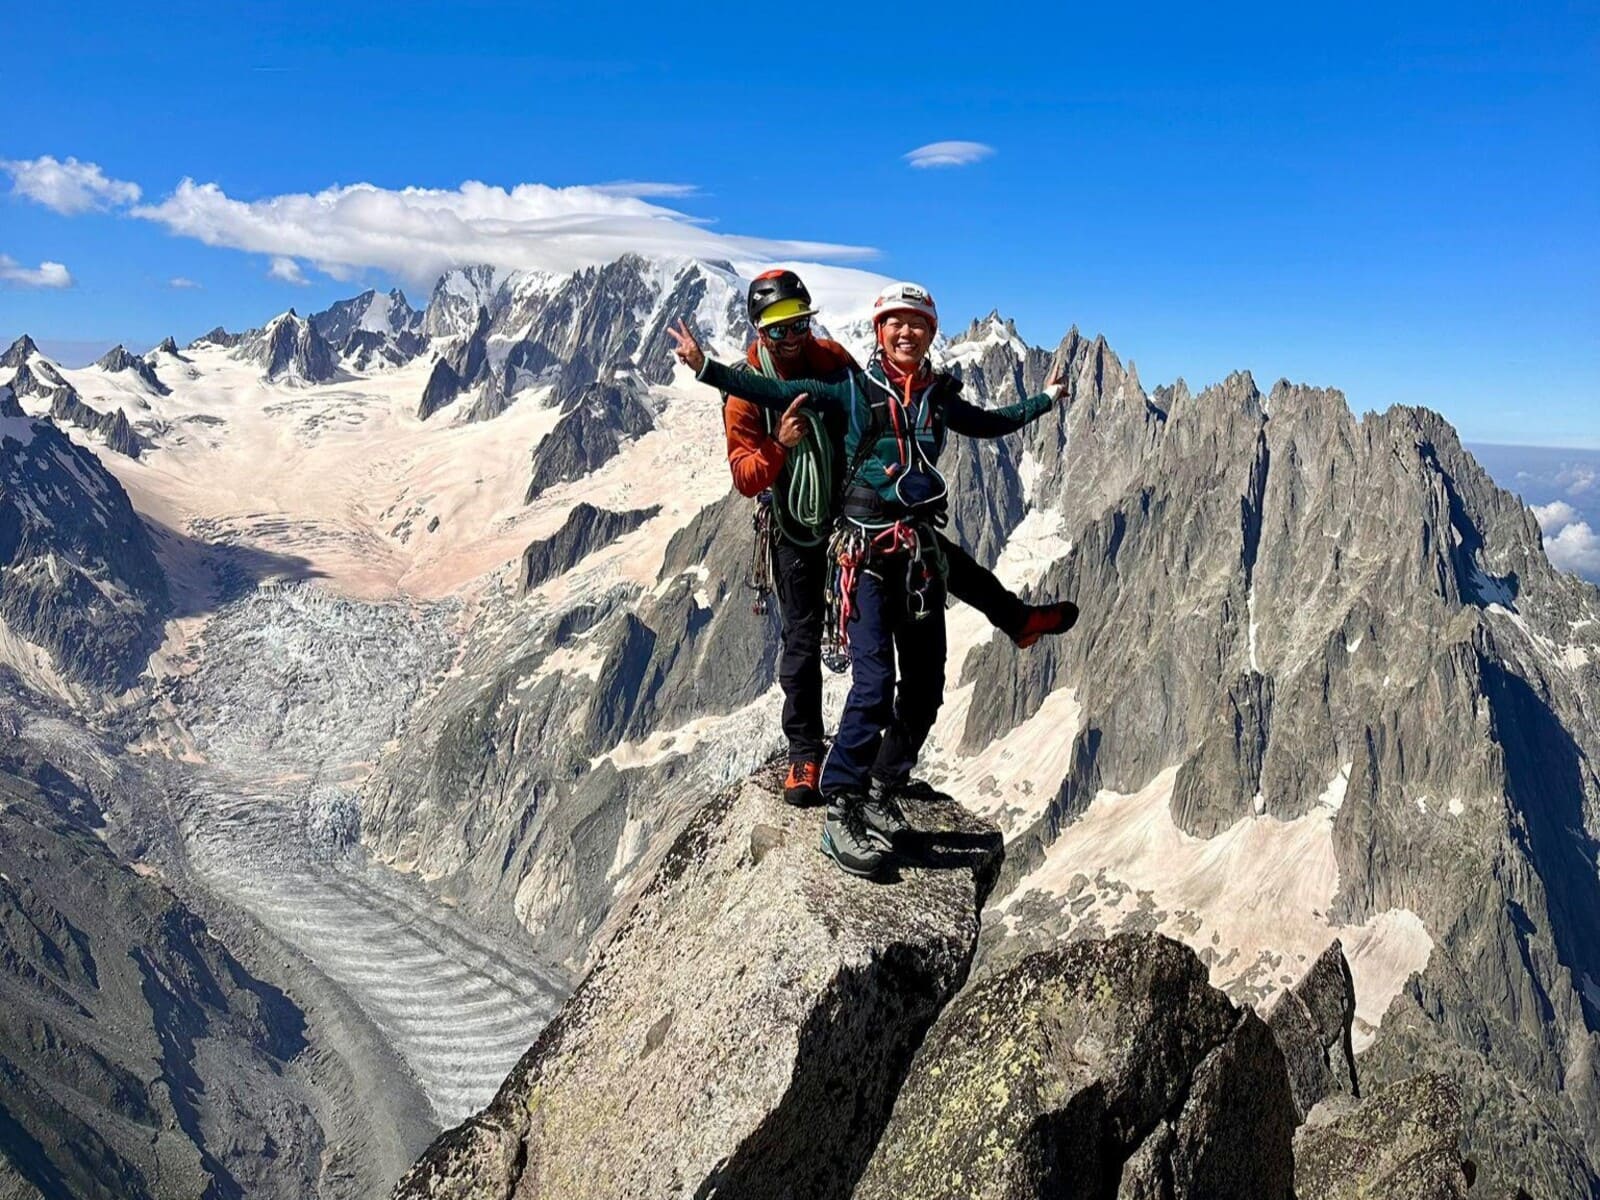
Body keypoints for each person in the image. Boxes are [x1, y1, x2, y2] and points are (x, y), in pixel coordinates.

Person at [673, 281, 1075, 877]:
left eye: (919, 324)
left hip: (914, 553)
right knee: (873, 684)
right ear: (879, 331)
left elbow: (990, 423)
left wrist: (1043, 400)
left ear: (931, 334)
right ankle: (842, 810)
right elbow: (771, 389)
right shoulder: (853, 387)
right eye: (896, 323)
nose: (907, 331)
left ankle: (885, 786)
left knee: (927, 682)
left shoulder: (935, 398)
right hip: (863, 555)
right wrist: (706, 368)